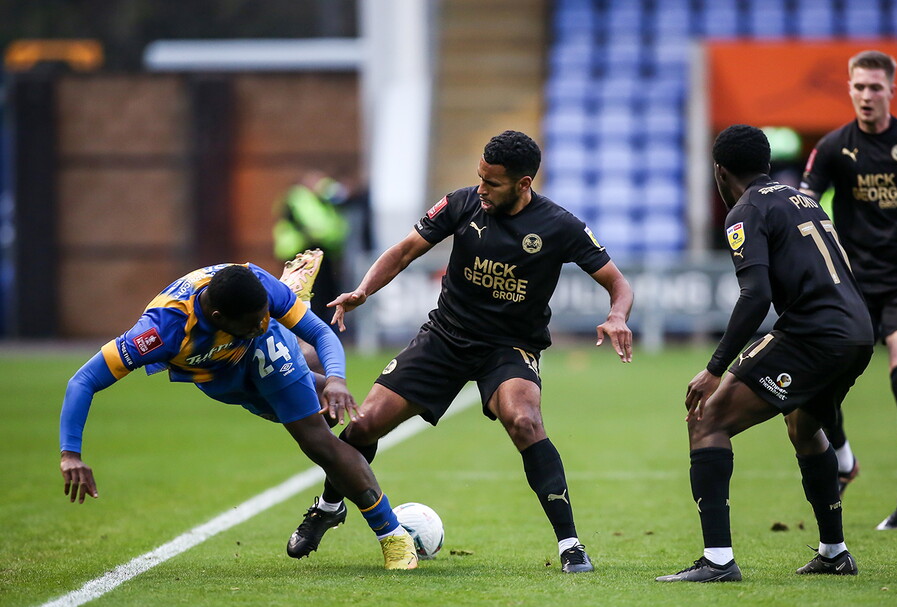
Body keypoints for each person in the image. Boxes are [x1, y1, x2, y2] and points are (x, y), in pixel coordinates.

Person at [296, 130, 633, 574]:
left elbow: (618, 283)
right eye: (479, 178)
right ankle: (328, 506)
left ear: (523, 183)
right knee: (363, 427)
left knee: (525, 421)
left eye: (492, 183)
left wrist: (618, 315)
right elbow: (402, 253)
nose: (481, 189)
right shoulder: (461, 204)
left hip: (509, 347)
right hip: (446, 337)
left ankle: (571, 545)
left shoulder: (560, 226)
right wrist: (362, 291)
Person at [58, 260, 418, 570]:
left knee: (317, 435)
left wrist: (338, 378)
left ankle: (391, 535)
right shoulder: (160, 331)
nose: (263, 320)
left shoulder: (256, 289)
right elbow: (84, 380)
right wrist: (70, 454)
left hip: (260, 351)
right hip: (218, 377)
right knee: (315, 405)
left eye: (267, 313)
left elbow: (321, 332)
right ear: (218, 317)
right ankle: (295, 306)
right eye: (256, 318)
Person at [657, 125, 874, 582]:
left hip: (814, 334)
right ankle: (835, 552)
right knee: (804, 424)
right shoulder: (801, 198)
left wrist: (715, 368)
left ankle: (717, 561)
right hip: (857, 332)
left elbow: (755, 296)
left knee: (707, 420)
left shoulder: (746, 210)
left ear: (719, 170)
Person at [799, 50, 897, 529]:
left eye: (875, 87)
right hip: (853, 282)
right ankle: (845, 459)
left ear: (892, 90)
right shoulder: (832, 147)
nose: (866, 96)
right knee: (820, 382)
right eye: (859, 87)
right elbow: (805, 201)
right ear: (849, 88)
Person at [273, 171, 352, 323]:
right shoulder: (299, 198)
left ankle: (319, 325)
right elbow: (314, 227)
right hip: (301, 252)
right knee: (305, 293)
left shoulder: (321, 201)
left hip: (321, 251)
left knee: (324, 293)